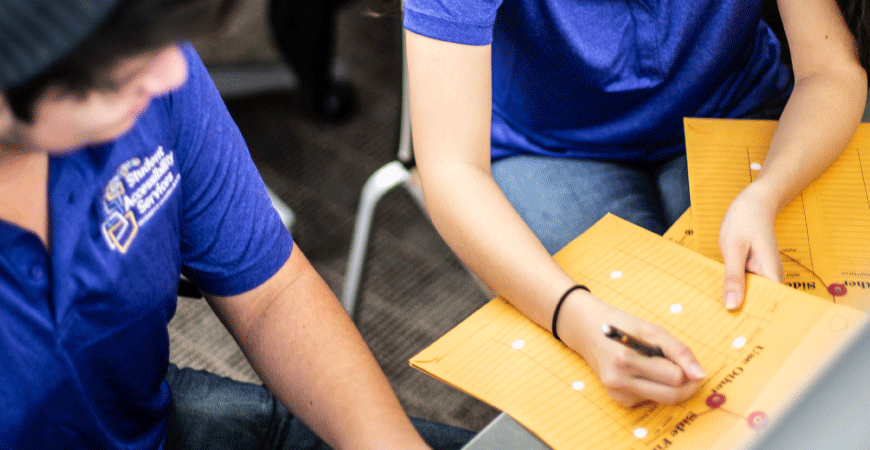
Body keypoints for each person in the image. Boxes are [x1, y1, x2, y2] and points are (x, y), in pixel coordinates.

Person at [0, 0, 474, 449]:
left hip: (139, 419)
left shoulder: (150, 71)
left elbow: (272, 295)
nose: (176, 72)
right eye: (124, 67)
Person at [403, 0, 868, 407]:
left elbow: (830, 71)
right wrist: (573, 315)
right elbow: (450, 170)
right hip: (550, 145)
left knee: (793, 353)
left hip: (733, 106)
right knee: (650, 375)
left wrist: (766, 194)